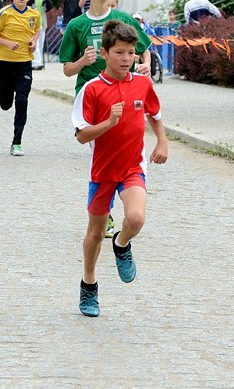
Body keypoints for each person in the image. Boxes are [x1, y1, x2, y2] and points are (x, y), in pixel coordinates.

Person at [71, 19, 168, 317]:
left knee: (136, 218)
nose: (126, 59)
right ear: (104, 53)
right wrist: (108, 123)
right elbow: (81, 135)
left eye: (131, 53)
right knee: (94, 234)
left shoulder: (142, 83)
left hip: (132, 167)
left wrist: (162, 142)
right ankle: (89, 284)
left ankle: (122, 243)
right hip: (102, 171)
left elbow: (155, 113)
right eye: (120, 53)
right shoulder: (92, 90)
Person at [59, 0, 153, 238]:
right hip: (92, 96)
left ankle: (118, 202)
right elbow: (66, 69)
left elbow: (145, 47)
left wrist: (144, 65)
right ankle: (106, 211)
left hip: (123, 94)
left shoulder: (123, 18)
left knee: (121, 148)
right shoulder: (77, 25)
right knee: (101, 151)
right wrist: (82, 61)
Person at [0, 0, 41, 156]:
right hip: (4, 64)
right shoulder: (4, 14)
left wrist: (34, 41)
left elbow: (37, 30)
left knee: (22, 100)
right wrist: (7, 43)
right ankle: (5, 97)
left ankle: (17, 142)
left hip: (24, 64)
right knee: (5, 104)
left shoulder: (34, 14)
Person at [26, 0, 53, 70]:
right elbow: (28, 4)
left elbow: (50, 7)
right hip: (33, 25)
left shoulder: (43, 0)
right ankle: (36, 63)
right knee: (35, 43)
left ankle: (38, 61)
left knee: (40, 44)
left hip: (42, 24)